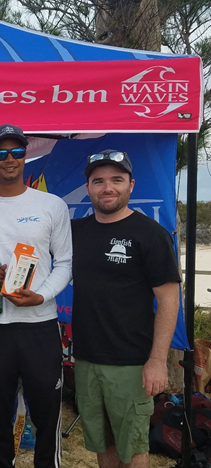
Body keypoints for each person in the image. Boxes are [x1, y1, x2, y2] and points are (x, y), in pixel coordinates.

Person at [72, 149, 180, 468]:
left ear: (131, 185)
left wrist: (157, 361)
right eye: (98, 181)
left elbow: (169, 300)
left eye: (117, 180)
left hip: (131, 362)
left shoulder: (151, 234)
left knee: (132, 448)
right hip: (86, 359)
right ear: (88, 188)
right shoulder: (75, 232)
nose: (108, 188)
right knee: (101, 442)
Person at [0, 124, 72, 468]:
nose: (10, 159)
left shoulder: (51, 205)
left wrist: (42, 296)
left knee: (47, 416)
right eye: (1, 153)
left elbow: (65, 263)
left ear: (25, 155)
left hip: (40, 326)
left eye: (17, 152)